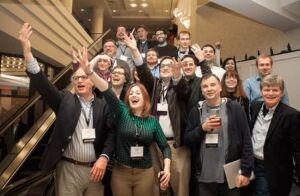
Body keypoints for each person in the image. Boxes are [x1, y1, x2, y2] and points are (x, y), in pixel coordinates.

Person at [19, 23, 115, 196]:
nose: (79, 81)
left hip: (96, 170)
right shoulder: (65, 100)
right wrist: (27, 52)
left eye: (84, 77)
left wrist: (104, 157)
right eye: (76, 78)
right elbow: (43, 84)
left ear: (93, 80)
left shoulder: (104, 105)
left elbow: (111, 134)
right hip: (68, 169)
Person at [76, 46, 172, 196]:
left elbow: (165, 147)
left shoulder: (152, 121)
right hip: (121, 173)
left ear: (145, 98)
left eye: (138, 93)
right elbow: (106, 90)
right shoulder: (121, 111)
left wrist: (166, 168)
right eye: (131, 93)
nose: (134, 95)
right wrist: (89, 72)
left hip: (145, 173)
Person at [184, 73, 253, 196]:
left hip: (230, 176)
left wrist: (246, 171)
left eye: (212, 85)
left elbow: (246, 140)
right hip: (204, 178)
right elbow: (187, 140)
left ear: (220, 87)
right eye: (205, 86)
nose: (209, 88)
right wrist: (202, 129)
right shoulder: (196, 111)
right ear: (202, 91)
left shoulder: (235, 108)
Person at [250, 74, 300, 196]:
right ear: (261, 92)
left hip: (275, 169)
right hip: (252, 164)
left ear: (282, 93)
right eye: (266, 89)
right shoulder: (255, 106)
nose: (270, 93)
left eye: (275, 90)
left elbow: (298, 149)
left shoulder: (291, 115)